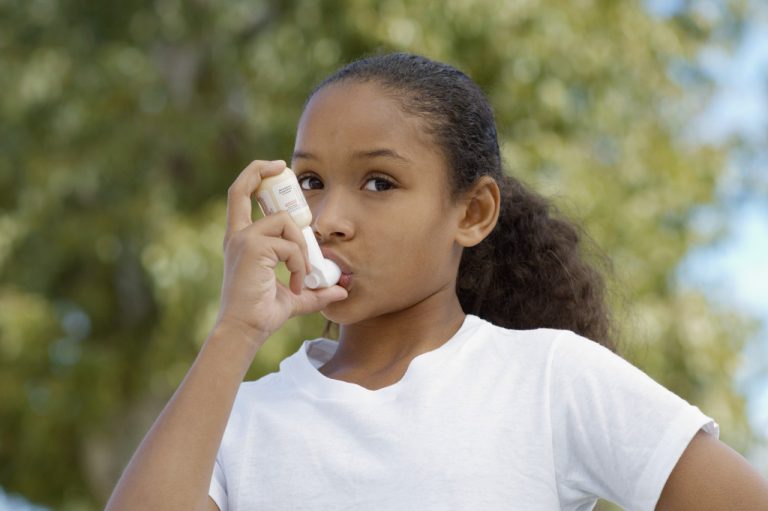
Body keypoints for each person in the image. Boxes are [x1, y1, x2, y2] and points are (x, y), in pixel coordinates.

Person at [105, 53, 768, 511]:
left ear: (473, 212)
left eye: (379, 182)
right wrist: (235, 330)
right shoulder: (237, 418)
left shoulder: (549, 379)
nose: (329, 218)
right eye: (309, 181)